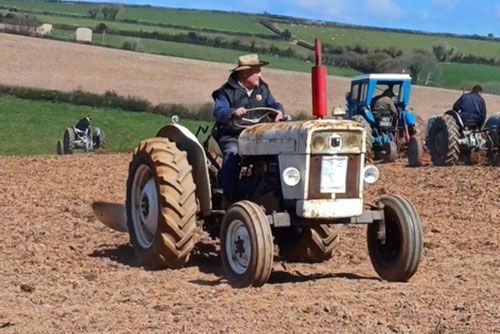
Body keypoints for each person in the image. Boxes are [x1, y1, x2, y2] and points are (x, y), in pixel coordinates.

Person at [211, 54, 284, 201]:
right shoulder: (226, 92)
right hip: (232, 134)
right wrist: (232, 112)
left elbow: (273, 104)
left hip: (257, 135)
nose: (260, 75)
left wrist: (279, 111)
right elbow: (218, 110)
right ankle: (228, 193)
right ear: (245, 73)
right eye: (256, 71)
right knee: (233, 153)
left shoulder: (263, 89)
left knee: (277, 153)